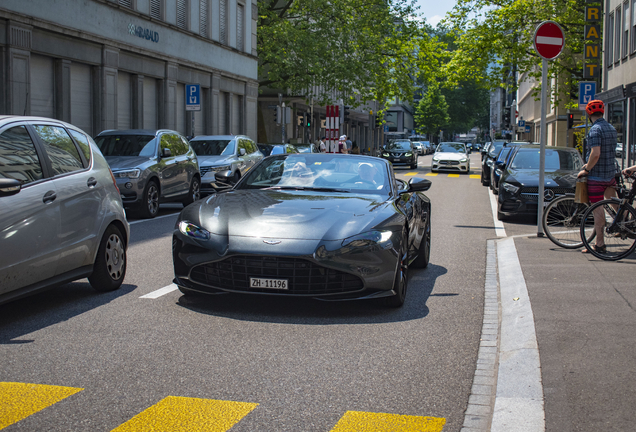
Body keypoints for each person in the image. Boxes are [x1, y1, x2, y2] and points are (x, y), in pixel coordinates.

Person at [577, 99, 618, 254]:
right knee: (615, 203)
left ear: (589, 113)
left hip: (597, 178)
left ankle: (599, 244)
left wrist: (586, 169)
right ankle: (625, 222)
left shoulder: (595, 130)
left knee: (598, 210)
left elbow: (595, 154)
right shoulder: (612, 128)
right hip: (610, 175)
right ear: (603, 112)